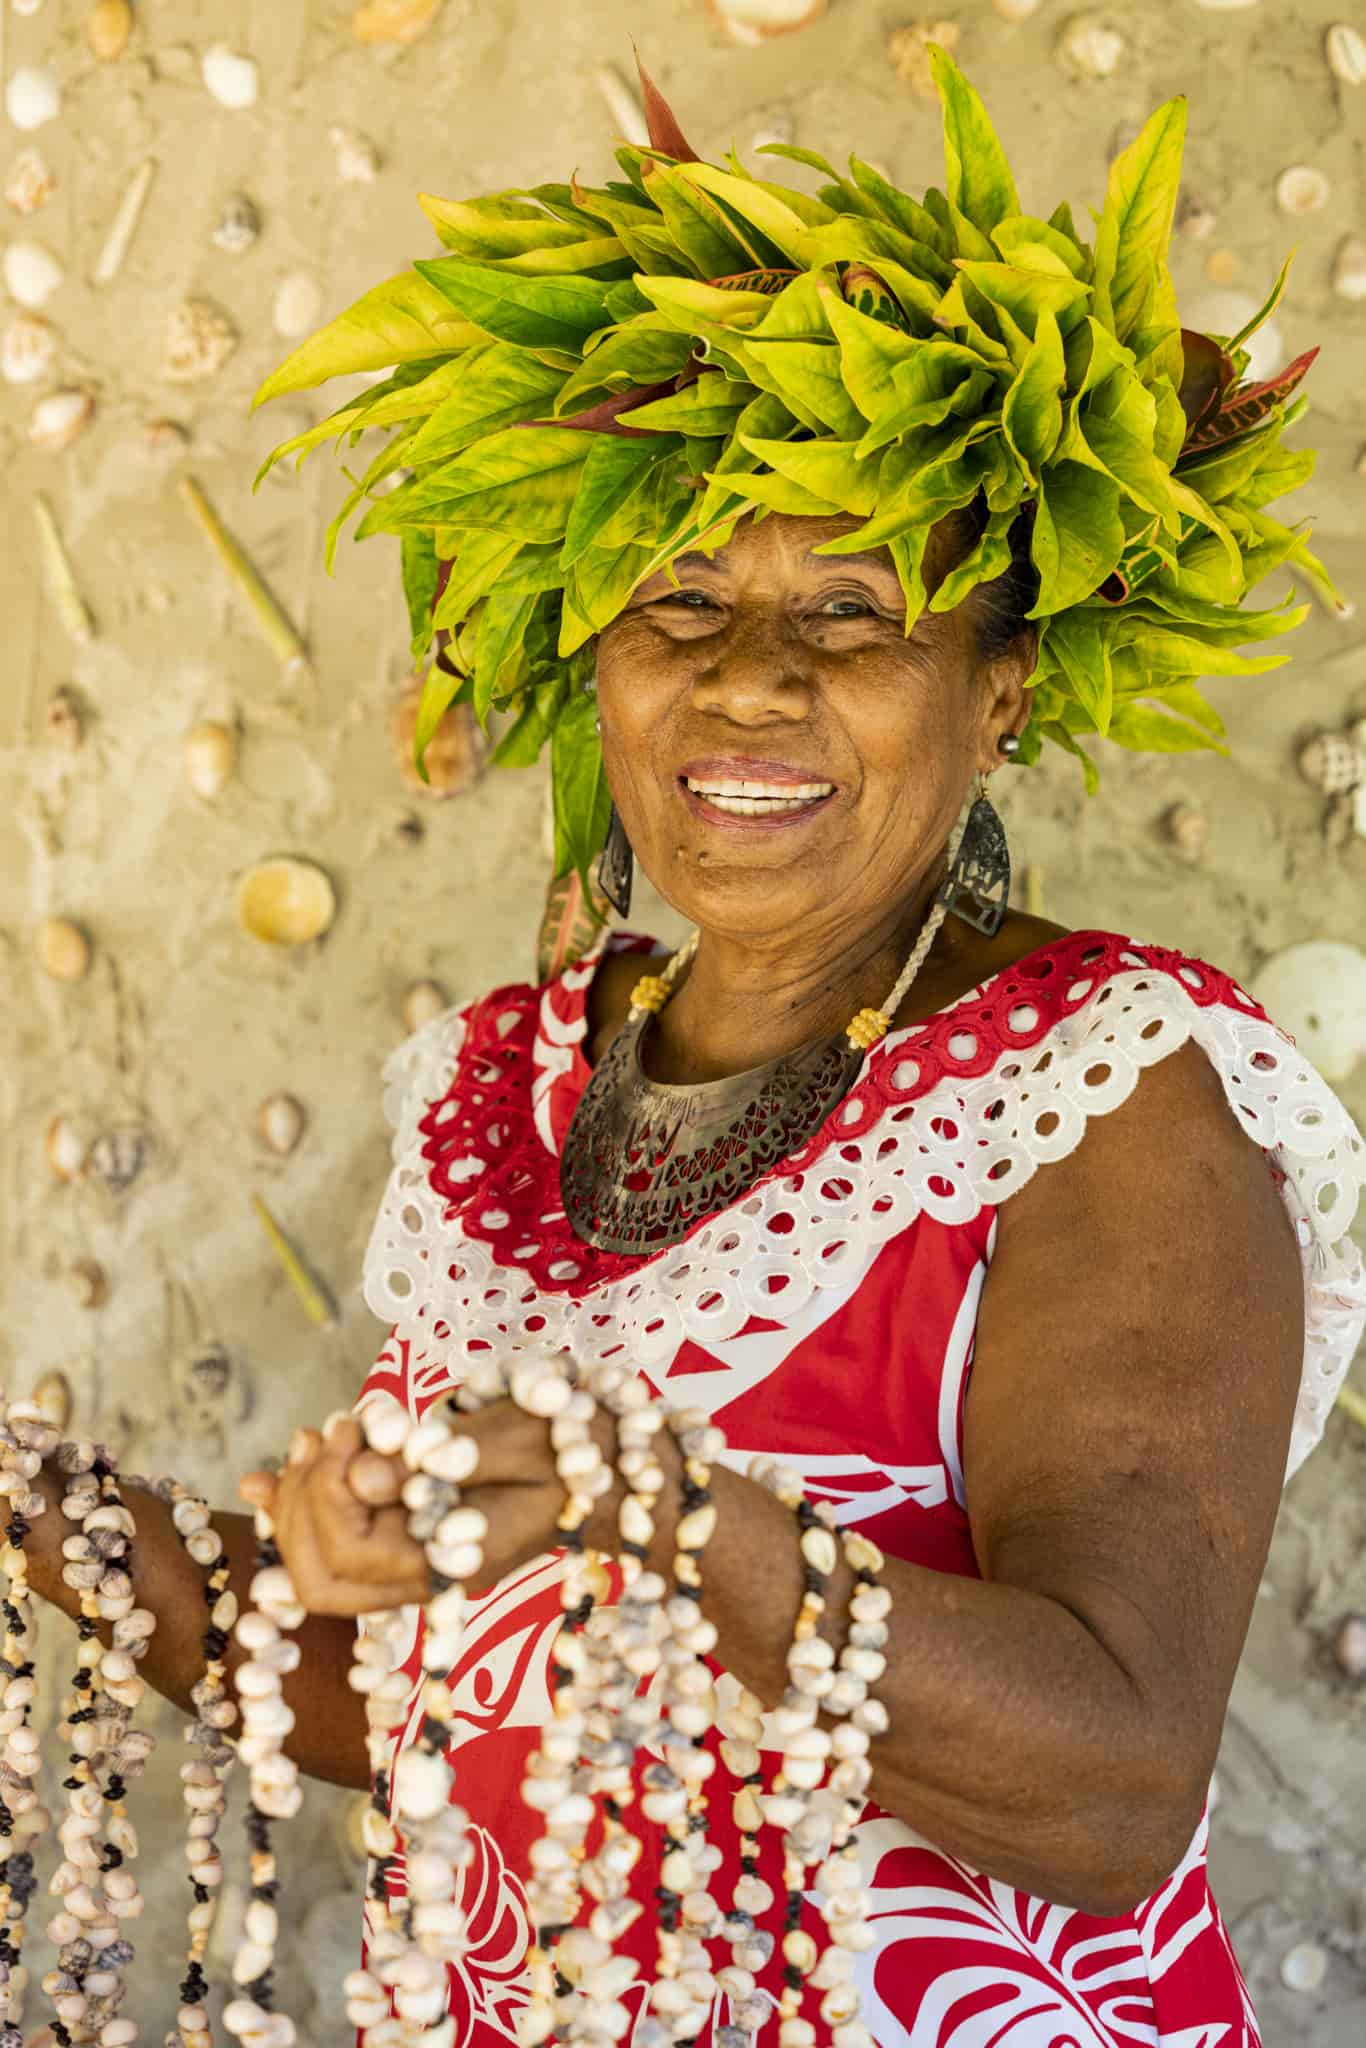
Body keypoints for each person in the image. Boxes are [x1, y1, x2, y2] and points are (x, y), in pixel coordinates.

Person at [17, 43, 1366, 2048]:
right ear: (599, 657)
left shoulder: (1103, 1090)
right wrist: (48, 1510)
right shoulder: (505, 1089)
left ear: (994, 694)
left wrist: (634, 1494)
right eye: (679, 602)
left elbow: (1108, 1776)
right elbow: (436, 1701)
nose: (750, 680)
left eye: (852, 616)